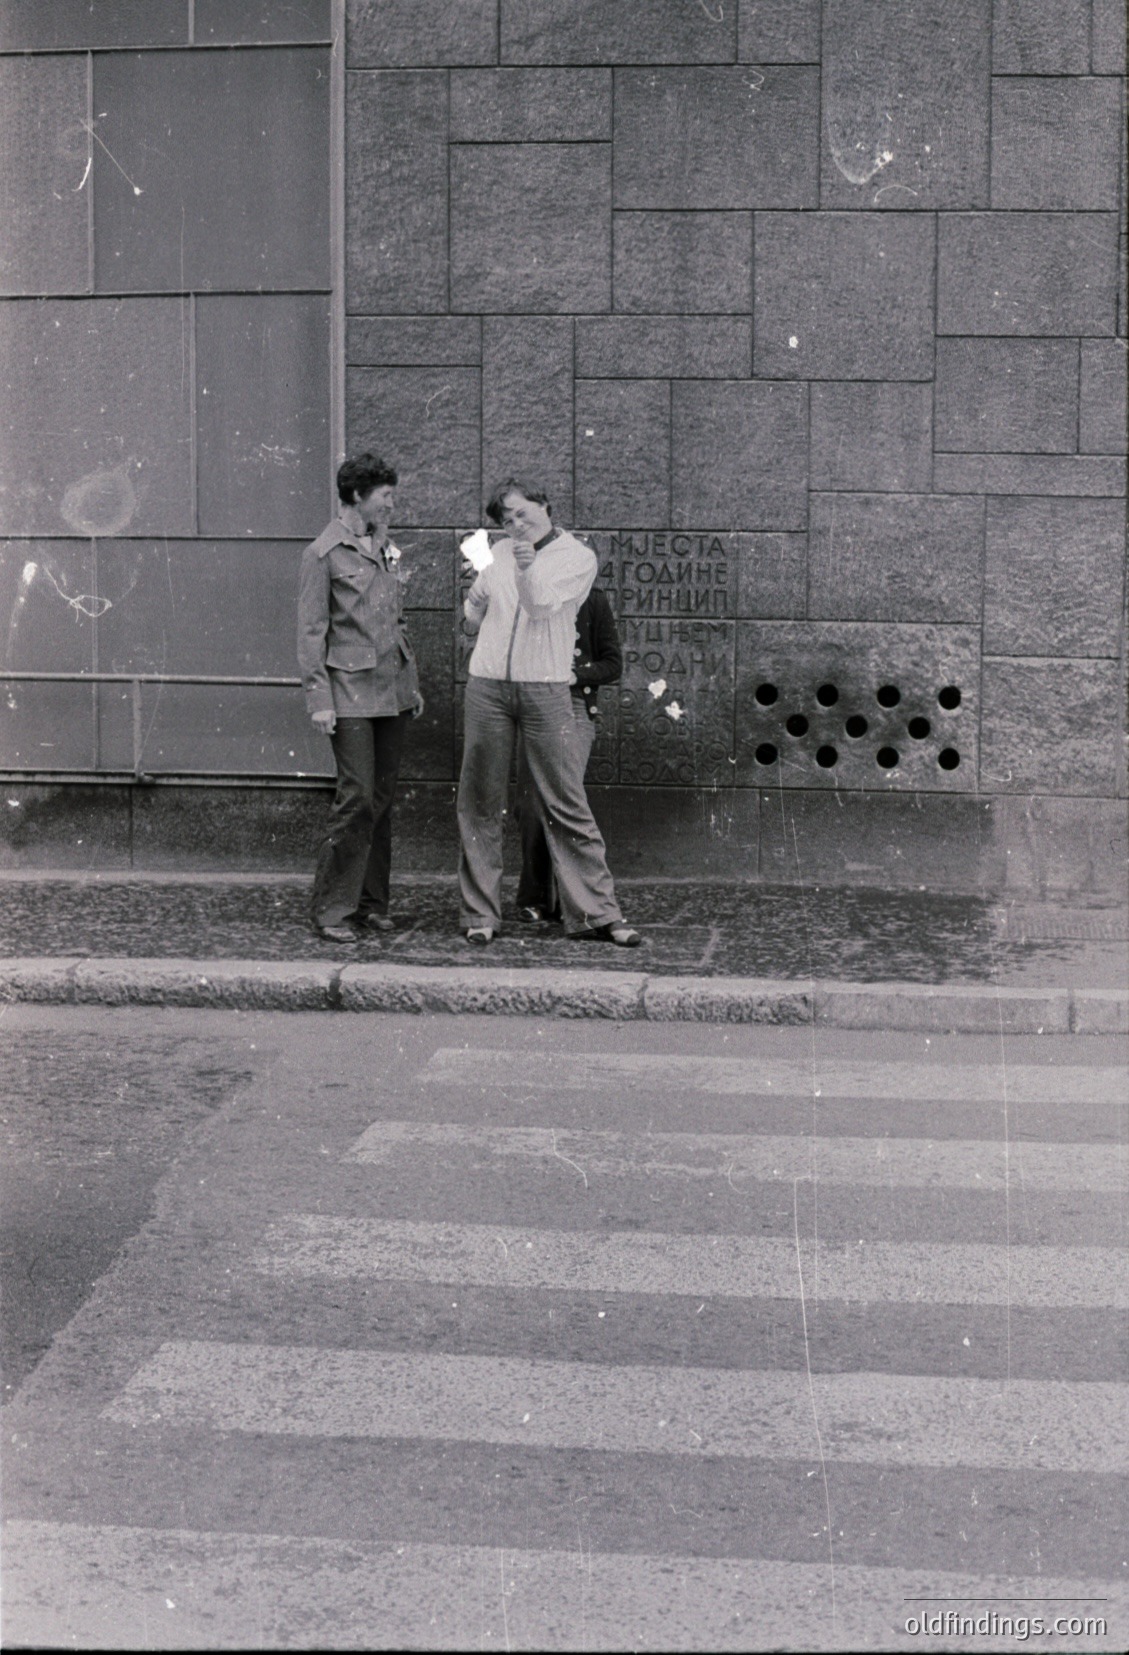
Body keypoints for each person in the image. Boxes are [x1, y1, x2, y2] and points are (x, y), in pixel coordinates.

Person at [458, 478, 640, 948]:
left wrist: (524, 567)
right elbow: (474, 612)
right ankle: (480, 913)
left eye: (522, 513)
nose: (515, 524)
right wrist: (473, 610)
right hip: (488, 687)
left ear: (546, 506)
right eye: (505, 519)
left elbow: (539, 607)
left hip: (546, 688)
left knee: (564, 800)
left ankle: (598, 912)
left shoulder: (578, 557)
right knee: (480, 799)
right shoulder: (499, 554)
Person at [298, 452, 424, 943]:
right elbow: (311, 634)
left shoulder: (384, 547)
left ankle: (373, 904)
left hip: (392, 693)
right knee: (356, 799)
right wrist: (319, 700)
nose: (391, 504)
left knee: (382, 800)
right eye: (385, 496)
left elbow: (397, 621)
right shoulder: (322, 554)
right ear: (356, 496)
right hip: (348, 694)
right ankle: (332, 909)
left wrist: (410, 686)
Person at [515, 584, 622, 923]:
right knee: (532, 803)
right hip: (534, 704)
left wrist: (577, 674)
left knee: (564, 798)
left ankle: (575, 901)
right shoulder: (527, 593)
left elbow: (613, 663)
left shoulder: (592, 597)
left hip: (576, 705)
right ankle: (535, 896)